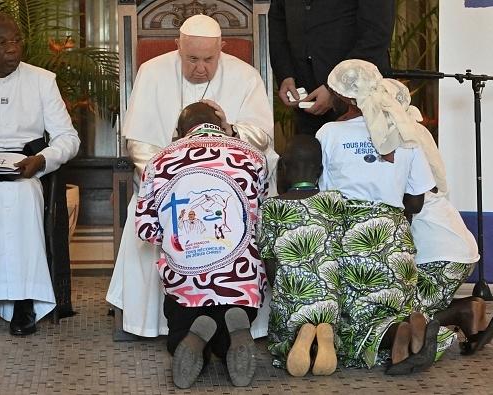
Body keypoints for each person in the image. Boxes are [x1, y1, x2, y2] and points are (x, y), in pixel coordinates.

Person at [106, 14, 277, 338]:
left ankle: (192, 321)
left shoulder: (246, 76)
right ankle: (164, 320)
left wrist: (230, 130)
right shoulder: (152, 72)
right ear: (177, 47)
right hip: (171, 192)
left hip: (229, 190)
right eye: (192, 59)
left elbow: (262, 136)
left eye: (209, 60)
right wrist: (173, 181)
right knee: (141, 210)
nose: (201, 68)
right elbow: (139, 142)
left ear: (222, 48)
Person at [317, 59, 444, 374]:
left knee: (349, 324)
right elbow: (416, 199)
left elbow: (321, 196)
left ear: (342, 97)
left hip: (350, 239)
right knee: (394, 300)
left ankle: (390, 337)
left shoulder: (328, 133)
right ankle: (407, 324)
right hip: (395, 238)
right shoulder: (404, 131)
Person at [135, 102, 268, 388]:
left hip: (186, 282)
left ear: (179, 132)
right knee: (226, 340)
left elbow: (146, 230)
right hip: (239, 280)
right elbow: (259, 217)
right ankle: (234, 328)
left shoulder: (158, 161)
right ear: (221, 124)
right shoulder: (254, 157)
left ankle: (194, 337)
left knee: (182, 337)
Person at [0, 11, 80, 337]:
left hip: (24, 168)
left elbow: (68, 138)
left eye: (16, 40)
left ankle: (24, 302)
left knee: (21, 196)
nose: (12, 48)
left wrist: (42, 161)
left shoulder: (42, 80)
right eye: (2, 42)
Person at [385, 79, 492, 356]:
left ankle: (463, 311)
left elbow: (412, 203)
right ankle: (467, 310)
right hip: (452, 244)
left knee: (401, 318)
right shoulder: (415, 130)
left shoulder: (401, 135)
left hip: (441, 252)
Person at [257, 135, 342, 376]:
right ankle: (324, 337)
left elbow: (268, 261)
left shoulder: (272, 207)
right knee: (335, 324)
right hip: (329, 300)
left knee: (282, 341)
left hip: (292, 300)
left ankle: (300, 338)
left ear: (282, 168)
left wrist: (281, 291)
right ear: (321, 170)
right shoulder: (334, 201)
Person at [268, 0, 396, 135]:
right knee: (309, 153)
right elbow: (278, 21)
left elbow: (376, 34)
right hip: (307, 96)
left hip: (360, 99)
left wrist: (335, 88)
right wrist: (286, 75)